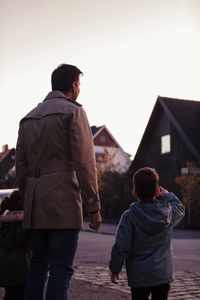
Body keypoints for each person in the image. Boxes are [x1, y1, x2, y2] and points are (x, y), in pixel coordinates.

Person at [15, 64, 102, 300]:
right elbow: (85, 163)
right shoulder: (73, 112)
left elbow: (20, 168)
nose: (79, 89)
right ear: (73, 85)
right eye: (79, 84)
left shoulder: (28, 118)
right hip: (63, 203)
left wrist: (28, 199)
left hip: (35, 205)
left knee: (36, 267)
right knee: (61, 269)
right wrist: (93, 206)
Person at [109, 167, 185, 300]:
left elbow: (121, 245)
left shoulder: (129, 216)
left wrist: (115, 268)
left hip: (139, 276)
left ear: (135, 193)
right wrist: (167, 194)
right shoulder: (168, 213)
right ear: (157, 191)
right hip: (162, 275)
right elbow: (180, 208)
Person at [0, 190, 30, 300]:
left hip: (4, 264)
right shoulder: (24, 222)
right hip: (19, 268)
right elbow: (23, 240)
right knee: (18, 294)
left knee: (10, 294)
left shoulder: (4, 220)